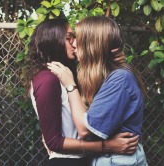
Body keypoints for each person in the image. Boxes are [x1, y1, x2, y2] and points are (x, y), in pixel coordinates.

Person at [24, 18, 139, 166]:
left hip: (83, 159)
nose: (73, 43)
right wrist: (106, 146)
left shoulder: (66, 75)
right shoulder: (47, 79)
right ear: (53, 41)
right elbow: (54, 142)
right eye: (68, 38)